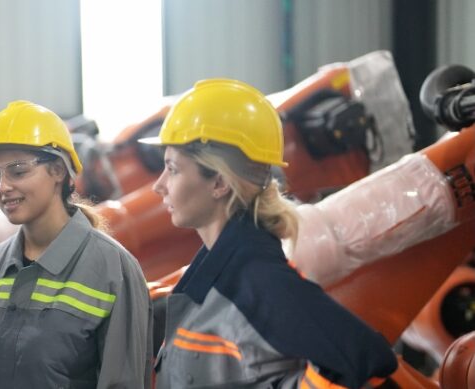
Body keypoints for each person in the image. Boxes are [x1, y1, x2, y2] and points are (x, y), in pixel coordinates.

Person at [144, 79, 397, 388]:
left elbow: (363, 357)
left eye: (172, 169)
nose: (159, 185)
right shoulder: (219, 272)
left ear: (219, 183)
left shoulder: (257, 280)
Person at [0, 100, 152, 388]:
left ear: (59, 172)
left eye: (18, 171)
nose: (3, 186)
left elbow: (123, 381)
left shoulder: (114, 269)